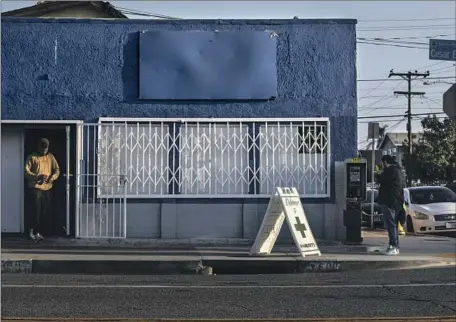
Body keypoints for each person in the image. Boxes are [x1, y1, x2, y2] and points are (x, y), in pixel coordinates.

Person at [24, 138, 60, 242]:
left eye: (46, 148)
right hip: (36, 188)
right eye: (42, 148)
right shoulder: (32, 157)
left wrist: (52, 177)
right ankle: (32, 232)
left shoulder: (51, 157)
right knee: (35, 212)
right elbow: (26, 172)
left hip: (47, 188)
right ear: (38, 147)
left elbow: (57, 169)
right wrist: (37, 177)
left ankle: (41, 232)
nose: (44, 150)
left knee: (45, 211)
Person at [376, 155, 405, 255]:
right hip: (397, 202)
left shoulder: (390, 170)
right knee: (394, 225)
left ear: (385, 162)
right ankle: (395, 246)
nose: (382, 165)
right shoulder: (399, 171)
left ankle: (393, 246)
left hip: (389, 201)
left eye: (382, 163)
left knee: (390, 224)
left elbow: (381, 178)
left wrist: (377, 173)